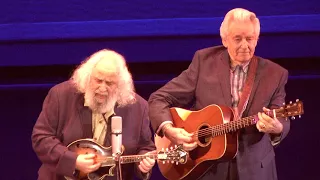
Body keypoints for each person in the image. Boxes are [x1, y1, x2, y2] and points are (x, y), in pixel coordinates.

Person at [148, 8, 290, 180]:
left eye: (250, 39)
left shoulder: (275, 74)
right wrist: (169, 130)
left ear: (257, 39)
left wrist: (278, 127)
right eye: (237, 39)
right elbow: (159, 99)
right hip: (208, 169)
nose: (245, 45)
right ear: (224, 40)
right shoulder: (204, 62)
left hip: (255, 170)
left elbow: (280, 114)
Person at [32, 49, 156, 180]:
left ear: (120, 85)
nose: (102, 88)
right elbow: (41, 137)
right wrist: (73, 160)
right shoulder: (60, 95)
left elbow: (145, 146)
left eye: (109, 83)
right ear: (87, 77)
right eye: (98, 80)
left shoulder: (139, 107)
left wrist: (143, 165)